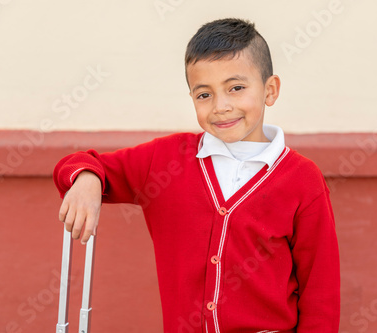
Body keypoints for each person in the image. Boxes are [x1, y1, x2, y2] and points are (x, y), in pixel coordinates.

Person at [53, 18, 340, 333]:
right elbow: (82, 163)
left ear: (270, 90)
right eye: (204, 95)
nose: (221, 106)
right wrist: (87, 180)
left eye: (236, 88)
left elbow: (321, 293)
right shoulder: (164, 161)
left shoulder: (302, 180)